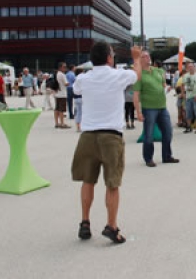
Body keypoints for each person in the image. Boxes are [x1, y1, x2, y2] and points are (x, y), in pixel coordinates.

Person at [71, 41, 142, 244]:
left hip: (88, 135)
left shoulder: (83, 78)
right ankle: (111, 226)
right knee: (112, 183)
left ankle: (85, 223)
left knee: (88, 180)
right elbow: (137, 75)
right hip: (111, 135)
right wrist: (136, 57)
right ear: (110, 58)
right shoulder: (117, 75)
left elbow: (75, 89)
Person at [133, 51, 180, 167]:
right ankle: (148, 158)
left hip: (162, 107)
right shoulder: (139, 75)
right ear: (140, 60)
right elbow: (136, 95)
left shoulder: (158, 71)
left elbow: (163, 84)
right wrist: (138, 112)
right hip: (149, 108)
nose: (147, 58)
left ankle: (167, 156)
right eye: (144, 56)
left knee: (168, 132)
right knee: (148, 134)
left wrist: (167, 87)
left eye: (148, 56)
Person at [181, 62, 196, 134]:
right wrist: (183, 94)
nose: (190, 68)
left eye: (192, 67)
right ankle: (188, 127)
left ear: (194, 67)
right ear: (187, 68)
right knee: (188, 113)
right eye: (189, 67)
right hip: (188, 97)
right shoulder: (185, 76)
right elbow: (182, 85)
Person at [54, 62, 70, 129]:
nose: (65, 68)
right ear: (60, 67)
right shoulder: (62, 75)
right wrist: (69, 83)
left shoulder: (56, 74)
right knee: (61, 110)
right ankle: (62, 123)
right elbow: (66, 83)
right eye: (64, 67)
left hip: (57, 93)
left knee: (56, 109)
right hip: (62, 94)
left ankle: (57, 123)